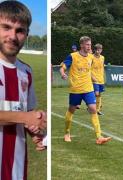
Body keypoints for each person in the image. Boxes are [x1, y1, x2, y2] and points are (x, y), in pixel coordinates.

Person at [0, 1, 47, 179]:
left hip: (16, 165)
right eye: (6, 27)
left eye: (20, 30)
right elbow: (23, 115)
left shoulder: (26, 72)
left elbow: (26, 112)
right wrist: (24, 117)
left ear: (26, 35)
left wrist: (34, 131)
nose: (13, 36)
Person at [60, 36, 111, 145]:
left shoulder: (91, 57)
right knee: (71, 110)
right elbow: (63, 67)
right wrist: (63, 73)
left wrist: (94, 78)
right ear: (82, 45)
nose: (89, 46)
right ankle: (67, 133)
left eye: (90, 44)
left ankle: (99, 136)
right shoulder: (73, 56)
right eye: (87, 44)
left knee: (93, 109)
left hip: (88, 88)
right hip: (76, 89)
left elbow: (90, 70)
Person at [91, 43, 105, 115]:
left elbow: (102, 67)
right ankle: (92, 106)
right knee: (96, 94)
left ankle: (97, 109)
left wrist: (103, 76)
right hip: (94, 78)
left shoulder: (102, 58)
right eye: (97, 50)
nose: (98, 51)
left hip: (101, 79)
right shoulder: (91, 57)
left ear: (101, 50)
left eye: (99, 50)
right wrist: (91, 77)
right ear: (94, 50)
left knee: (99, 94)